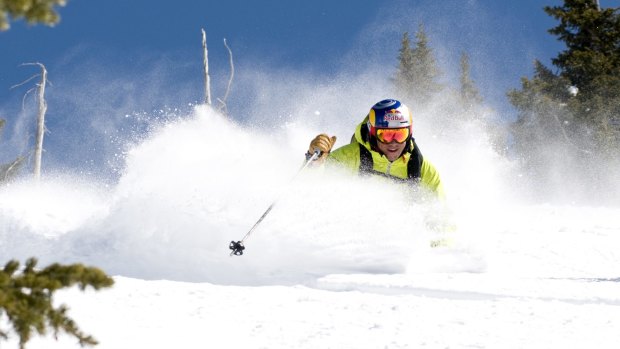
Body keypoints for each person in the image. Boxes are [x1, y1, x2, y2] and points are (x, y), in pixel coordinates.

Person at [307, 98, 445, 200]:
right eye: (385, 135)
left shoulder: (421, 169)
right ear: (372, 133)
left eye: (400, 134)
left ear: (409, 134)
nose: (393, 142)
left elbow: (442, 219)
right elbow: (306, 193)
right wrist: (315, 162)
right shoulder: (351, 156)